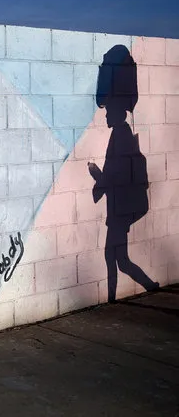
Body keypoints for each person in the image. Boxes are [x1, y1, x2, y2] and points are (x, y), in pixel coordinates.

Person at [88, 45, 158, 303]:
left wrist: (97, 174)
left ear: (116, 110)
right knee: (120, 259)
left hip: (119, 209)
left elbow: (116, 173)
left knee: (115, 257)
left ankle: (112, 300)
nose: (105, 113)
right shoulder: (120, 133)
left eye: (108, 110)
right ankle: (148, 286)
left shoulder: (121, 134)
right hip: (118, 208)